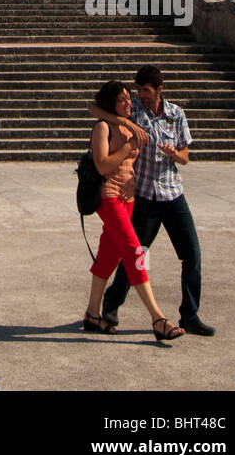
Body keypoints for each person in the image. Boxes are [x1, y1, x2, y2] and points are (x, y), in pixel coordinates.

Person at [89, 64, 213, 335]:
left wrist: (174, 154)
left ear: (159, 89)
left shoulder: (176, 113)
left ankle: (190, 315)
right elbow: (96, 109)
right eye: (138, 91)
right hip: (143, 195)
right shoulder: (132, 109)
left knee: (192, 255)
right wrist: (124, 122)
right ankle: (117, 306)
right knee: (134, 253)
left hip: (172, 193)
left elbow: (185, 156)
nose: (140, 96)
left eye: (145, 90)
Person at [84, 79, 184, 341]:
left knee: (108, 255)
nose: (128, 103)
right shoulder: (103, 127)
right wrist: (128, 140)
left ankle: (93, 314)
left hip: (128, 198)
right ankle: (157, 318)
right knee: (134, 252)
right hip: (109, 197)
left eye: (129, 98)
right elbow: (103, 166)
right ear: (111, 103)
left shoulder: (133, 118)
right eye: (122, 100)